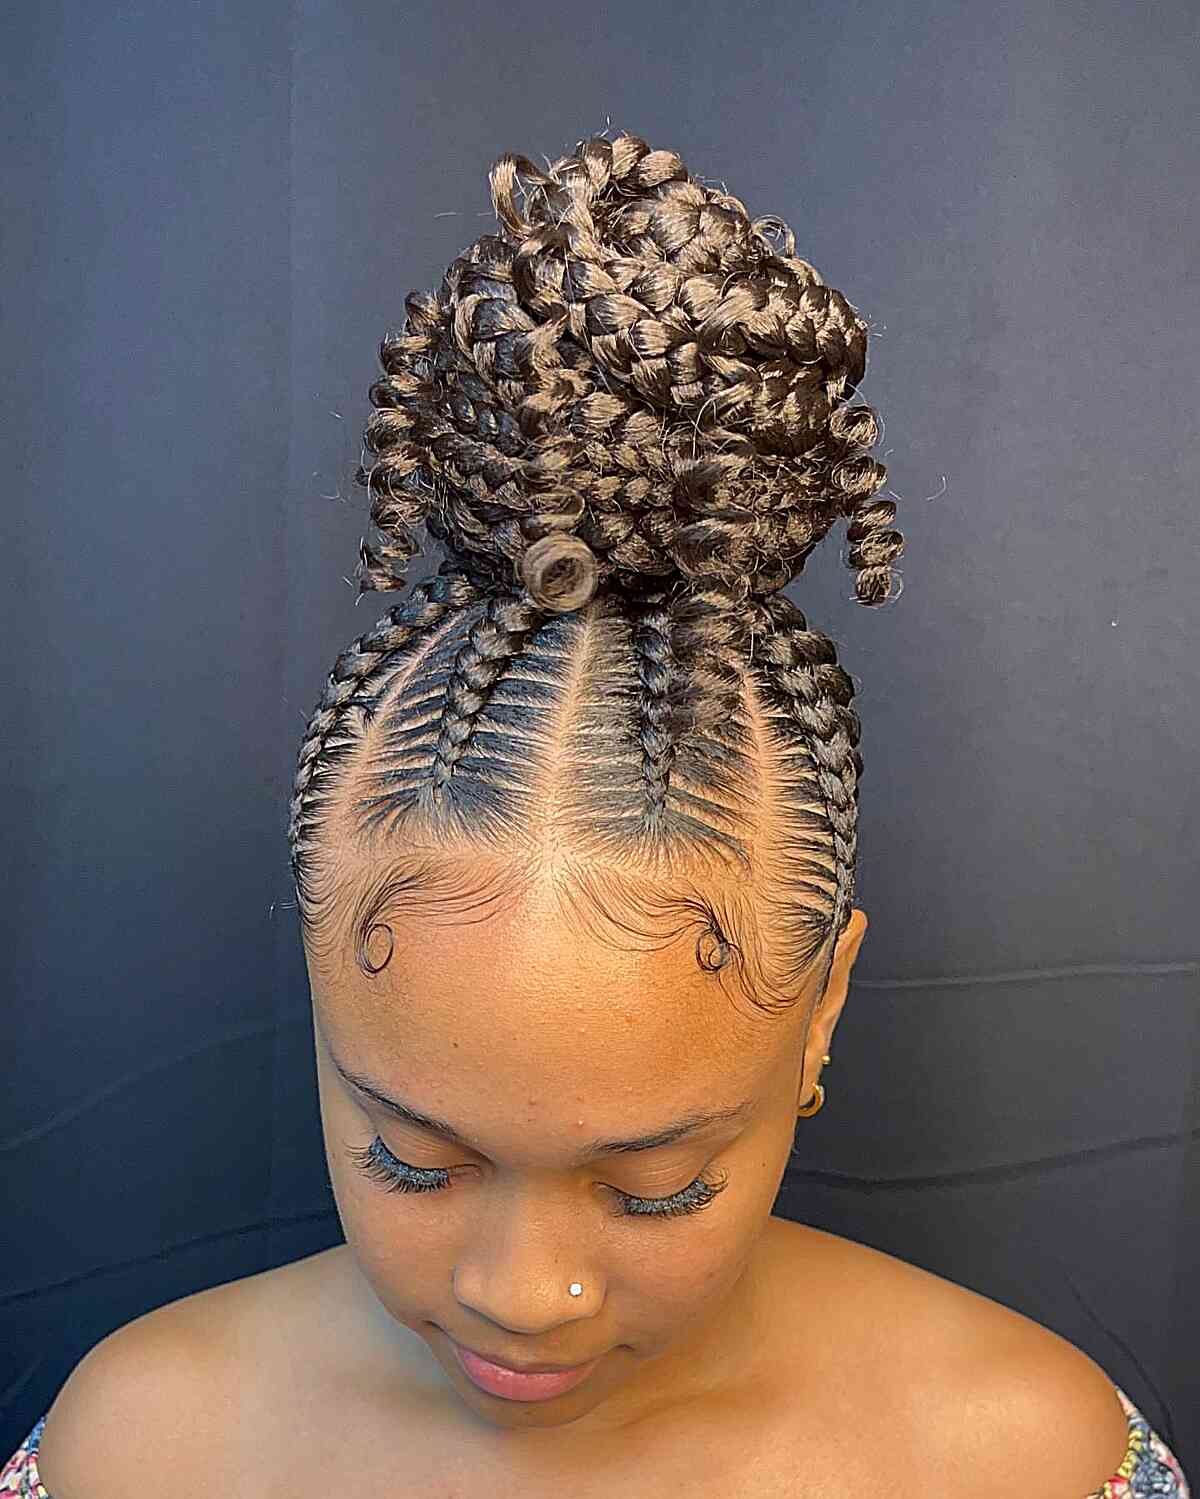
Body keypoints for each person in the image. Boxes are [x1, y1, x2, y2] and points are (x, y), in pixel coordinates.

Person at [4, 129, 1189, 1499]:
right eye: (410, 1160)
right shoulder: (142, 1454)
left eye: (655, 1187)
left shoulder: (1018, 1462)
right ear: (322, 996)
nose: (526, 1295)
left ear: (823, 1011)